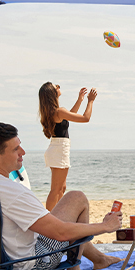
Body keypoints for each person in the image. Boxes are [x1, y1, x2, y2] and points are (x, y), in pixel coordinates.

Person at [0, 122, 122, 270]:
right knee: (77, 198)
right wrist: (105, 226)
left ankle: (99, 259)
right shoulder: (12, 192)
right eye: (15, 149)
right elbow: (61, 233)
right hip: (28, 267)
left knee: (55, 217)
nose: (22, 152)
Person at [38, 82, 96, 210]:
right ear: (52, 93)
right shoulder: (59, 111)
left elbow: (68, 117)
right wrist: (90, 101)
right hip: (59, 150)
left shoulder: (56, 111)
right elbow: (85, 118)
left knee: (61, 188)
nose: (59, 87)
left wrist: (79, 100)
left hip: (58, 148)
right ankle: (50, 220)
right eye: (56, 86)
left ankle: (57, 215)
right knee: (56, 189)